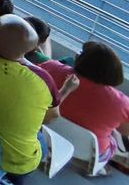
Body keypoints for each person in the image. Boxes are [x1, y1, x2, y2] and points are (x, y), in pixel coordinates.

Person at [0, 14, 72, 181]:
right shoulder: (42, 78)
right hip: (13, 160)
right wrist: (65, 90)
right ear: (32, 48)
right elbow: (51, 117)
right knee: (40, 139)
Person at [37, 41, 129, 170]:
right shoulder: (121, 103)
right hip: (88, 153)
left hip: (43, 132)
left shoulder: (50, 68)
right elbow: (126, 131)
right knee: (115, 135)